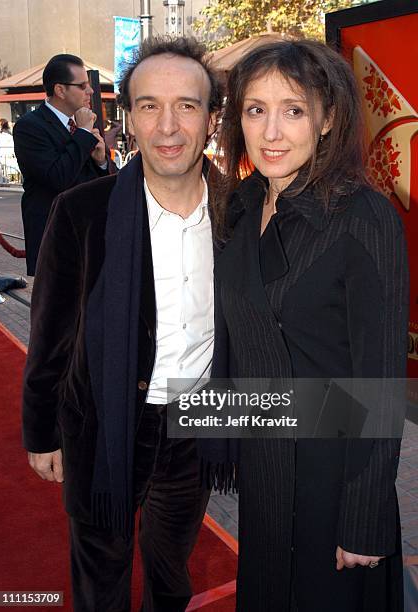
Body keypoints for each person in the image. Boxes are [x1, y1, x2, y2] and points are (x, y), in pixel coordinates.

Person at [205, 40, 408, 611]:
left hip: (335, 474)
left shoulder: (362, 216)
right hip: (265, 468)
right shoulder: (239, 207)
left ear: (327, 119)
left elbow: (382, 380)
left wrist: (365, 517)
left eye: (293, 110)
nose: (272, 131)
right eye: (255, 109)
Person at [22, 37, 222, 612]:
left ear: (211, 119)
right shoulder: (83, 211)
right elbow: (51, 334)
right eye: (149, 105)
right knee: (101, 578)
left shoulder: (241, 211)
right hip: (102, 424)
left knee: (171, 571)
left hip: (196, 424)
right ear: (128, 117)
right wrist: (41, 432)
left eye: (186, 105)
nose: (168, 125)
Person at [13, 53, 109, 276]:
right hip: (54, 240)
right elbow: (57, 177)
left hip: (90, 236)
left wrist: (102, 161)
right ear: (60, 90)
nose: (90, 91)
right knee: (59, 309)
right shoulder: (30, 127)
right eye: (82, 85)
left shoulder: (84, 122)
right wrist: (84, 134)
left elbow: (105, 183)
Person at [0, 119, 15, 184]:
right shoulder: (2, 133)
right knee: (2, 168)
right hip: (2, 152)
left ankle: (3, 181)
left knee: (2, 168)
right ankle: (3, 181)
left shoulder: (6, 134)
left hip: (3, 152)